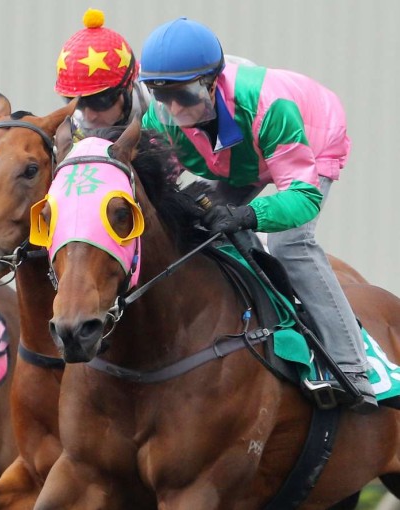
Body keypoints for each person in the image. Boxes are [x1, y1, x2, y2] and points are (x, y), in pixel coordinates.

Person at [138, 18, 376, 412]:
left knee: (290, 242)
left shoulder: (270, 107)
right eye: (161, 95)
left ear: (212, 81)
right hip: (241, 158)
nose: (174, 109)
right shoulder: (161, 117)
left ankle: (351, 368)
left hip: (311, 139)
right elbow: (154, 184)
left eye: (184, 94)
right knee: (204, 224)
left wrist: (249, 214)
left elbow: (302, 198)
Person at [54, 8, 150, 137]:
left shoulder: (158, 101)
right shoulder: (75, 123)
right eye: (77, 103)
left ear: (129, 86)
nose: (89, 117)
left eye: (100, 102)